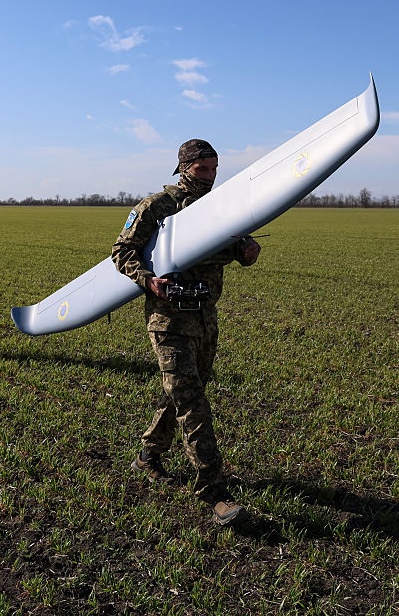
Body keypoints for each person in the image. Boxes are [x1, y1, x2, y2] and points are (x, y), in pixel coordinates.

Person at [112, 139, 261, 526]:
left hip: (206, 318)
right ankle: (215, 493)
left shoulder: (221, 207)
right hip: (169, 322)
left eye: (214, 170)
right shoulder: (156, 206)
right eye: (202, 169)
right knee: (193, 403)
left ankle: (148, 455)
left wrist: (247, 252)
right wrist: (148, 280)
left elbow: (237, 247)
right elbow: (121, 251)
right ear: (183, 168)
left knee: (180, 393)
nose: (210, 177)